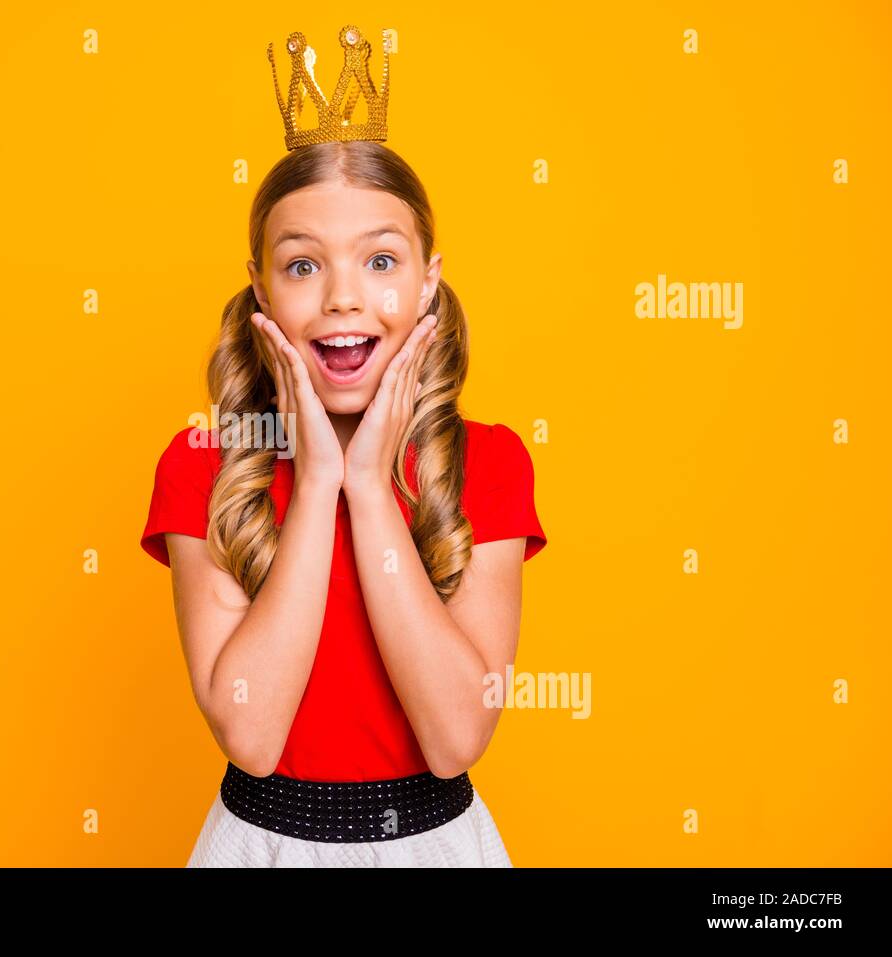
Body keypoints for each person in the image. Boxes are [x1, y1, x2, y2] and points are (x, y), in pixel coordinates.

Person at [139, 25, 547, 867]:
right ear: (259, 286)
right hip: (260, 847)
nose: (342, 299)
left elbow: (456, 736)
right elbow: (251, 734)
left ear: (429, 279)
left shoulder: (490, 462)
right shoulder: (201, 463)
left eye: (381, 260)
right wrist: (319, 472)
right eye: (302, 266)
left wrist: (368, 487)